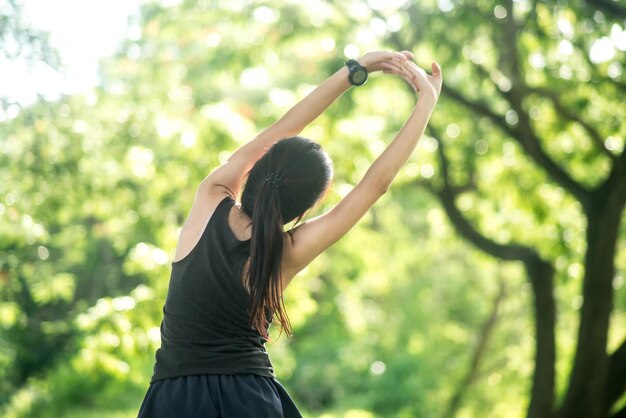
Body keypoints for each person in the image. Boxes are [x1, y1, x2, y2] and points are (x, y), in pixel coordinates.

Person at [138, 50, 442, 417]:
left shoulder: (210, 198)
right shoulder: (287, 251)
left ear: (259, 165)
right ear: (304, 210)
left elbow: (283, 128)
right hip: (250, 400)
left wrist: (354, 70)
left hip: (173, 401)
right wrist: (426, 102)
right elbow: (375, 185)